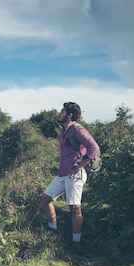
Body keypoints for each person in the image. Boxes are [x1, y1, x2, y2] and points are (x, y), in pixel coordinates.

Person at [41, 102, 100, 251]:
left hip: (74, 175)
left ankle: (76, 242)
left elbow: (94, 148)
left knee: (74, 208)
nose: (60, 113)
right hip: (63, 174)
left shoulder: (78, 130)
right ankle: (52, 230)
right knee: (46, 198)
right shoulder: (64, 131)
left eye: (62, 111)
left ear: (69, 115)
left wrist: (79, 166)